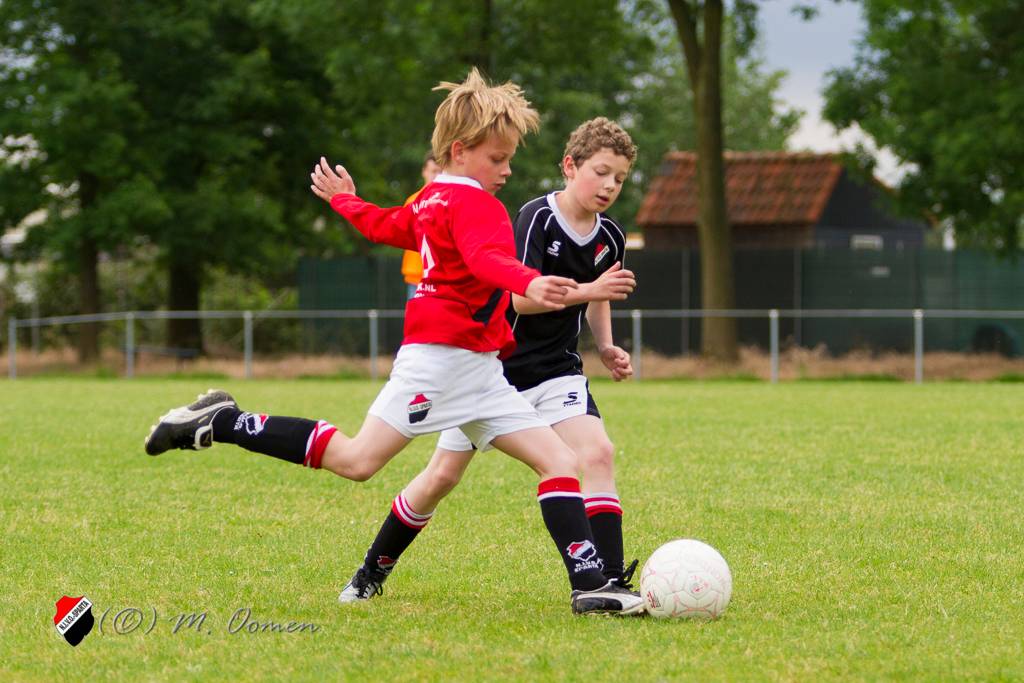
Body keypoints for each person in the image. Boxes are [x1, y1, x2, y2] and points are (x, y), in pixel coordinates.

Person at [142, 70, 643, 616]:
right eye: (498, 158)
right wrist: (529, 281)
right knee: (358, 460)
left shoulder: (432, 198)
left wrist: (346, 202)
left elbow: (387, 226)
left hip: (481, 371)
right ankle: (224, 421)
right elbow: (486, 259)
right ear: (460, 150)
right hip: (438, 365)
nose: (507, 170)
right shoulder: (479, 206)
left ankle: (590, 584)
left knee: (559, 462)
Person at [338, 117, 641, 605]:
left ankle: (607, 583)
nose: (609, 186)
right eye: (601, 172)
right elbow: (517, 297)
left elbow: (600, 295)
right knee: (441, 477)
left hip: (559, 370)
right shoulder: (535, 218)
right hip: (495, 371)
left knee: (597, 453)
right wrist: (589, 289)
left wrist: (605, 345)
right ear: (570, 166)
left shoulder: (612, 235)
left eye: (619, 179)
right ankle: (371, 571)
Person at [400, 152, 442, 299]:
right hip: (417, 276)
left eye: (440, 172)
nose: (436, 176)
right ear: (424, 171)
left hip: (440, 278)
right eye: (433, 171)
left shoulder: (448, 201)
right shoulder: (412, 201)